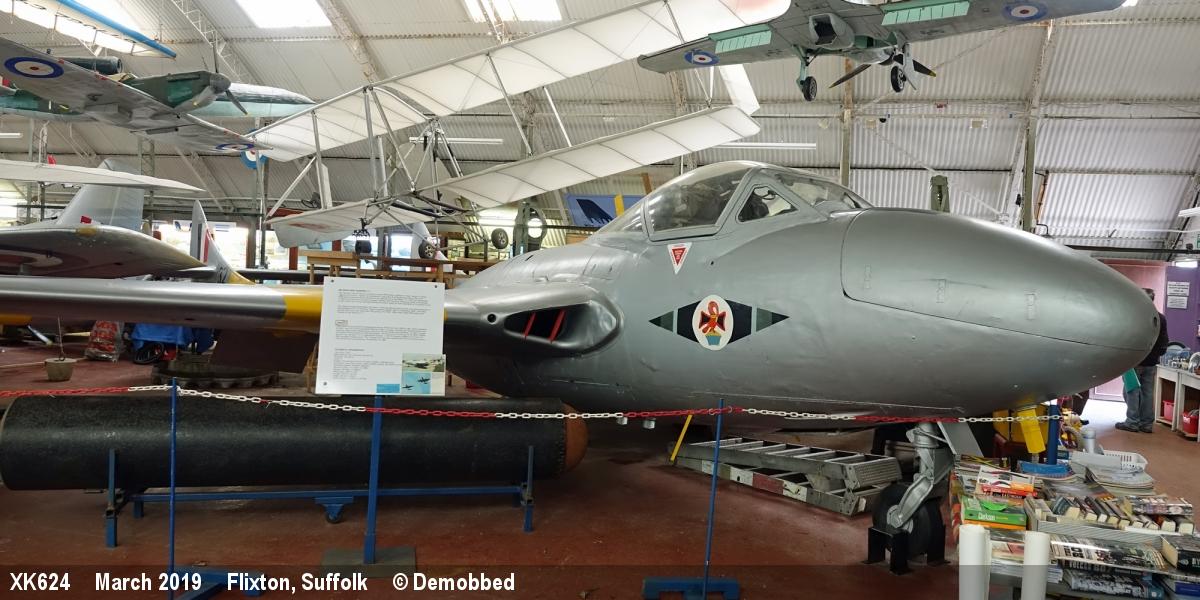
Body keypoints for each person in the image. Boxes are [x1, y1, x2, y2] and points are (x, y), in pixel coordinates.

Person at [1116, 289, 1170, 433]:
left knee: (1131, 391)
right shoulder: (1161, 318)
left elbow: (1127, 337)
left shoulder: (1135, 316)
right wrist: (1156, 355)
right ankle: (1146, 424)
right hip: (1151, 362)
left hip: (1135, 360)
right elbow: (1164, 341)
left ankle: (1132, 422)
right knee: (1147, 392)